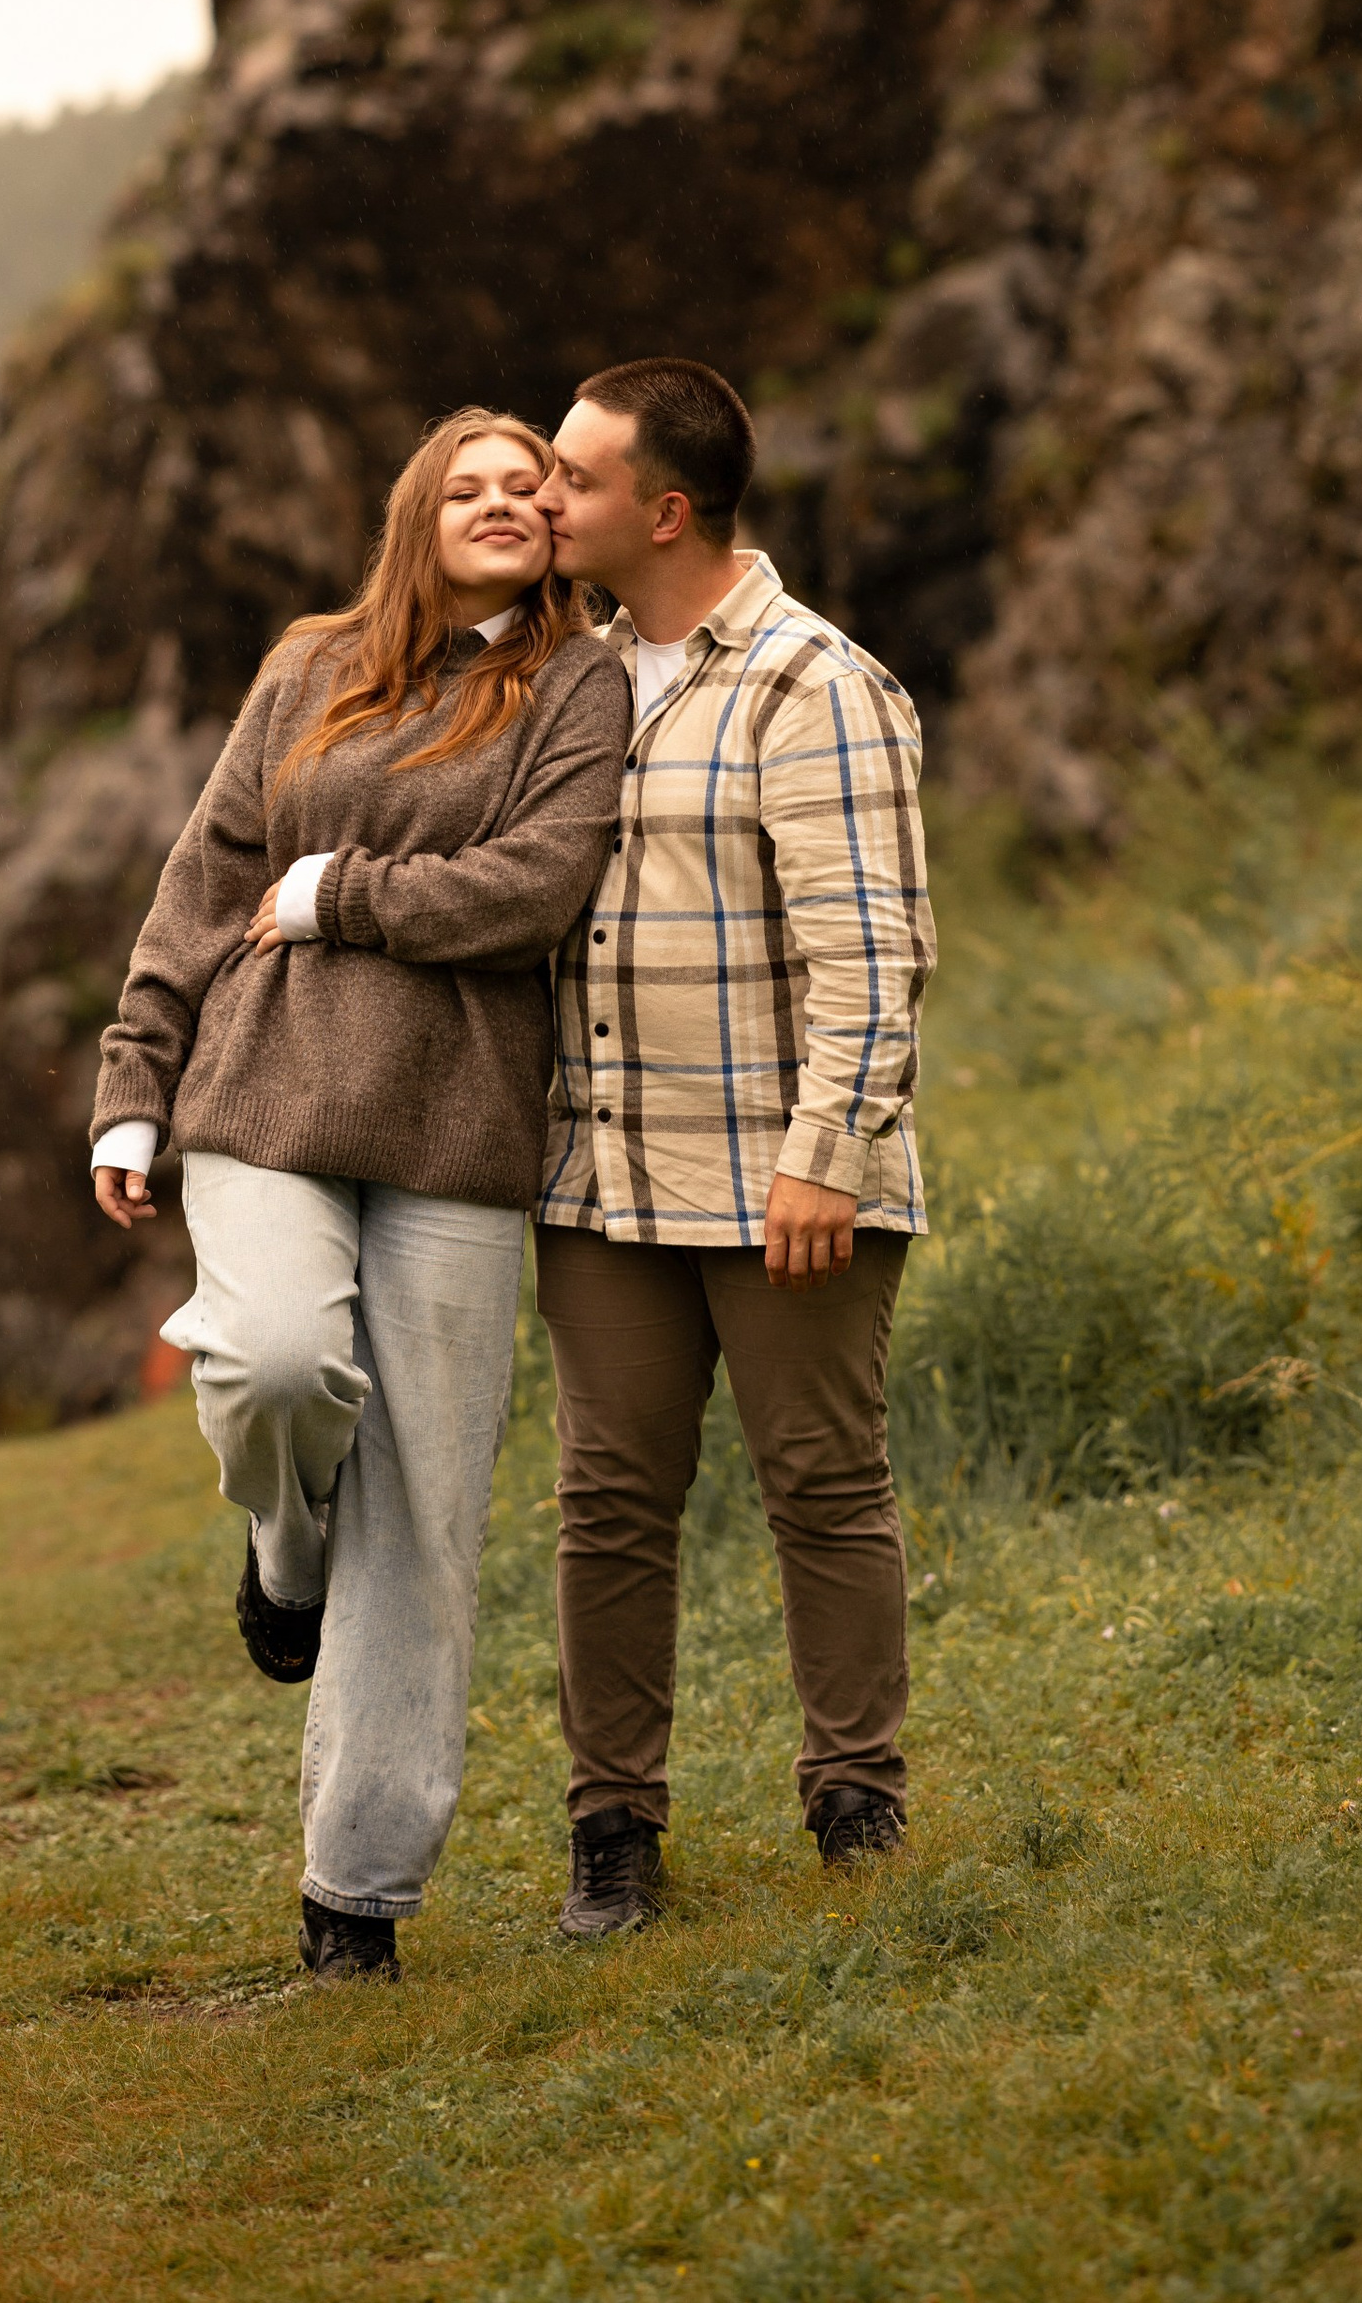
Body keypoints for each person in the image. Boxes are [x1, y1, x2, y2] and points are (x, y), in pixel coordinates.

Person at [88, 409, 632, 1983]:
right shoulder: (310, 663)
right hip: (263, 1092)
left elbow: (545, 878)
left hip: (458, 1133)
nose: (502, 506)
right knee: (269, 1360)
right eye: (467, 488)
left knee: (427, 1512)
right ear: (419, 515)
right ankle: (281, 1561)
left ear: (558, 525)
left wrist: (344, 894)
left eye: (528, 490)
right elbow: (203, 879)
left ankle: (356, 1896)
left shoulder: (578, 682)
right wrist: (134, 1089)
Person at [527, 357, 931, 1938]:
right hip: (604, 1183)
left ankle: (857, 1801)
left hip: (787, 1180)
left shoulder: (812, 683)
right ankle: (612, 1833)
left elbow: (876, 953)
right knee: (606, 1504)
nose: (546, 498)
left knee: (822, 1487)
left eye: (574, 476)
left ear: (664, 506)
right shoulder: (575, 679)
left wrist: (825, 1149)